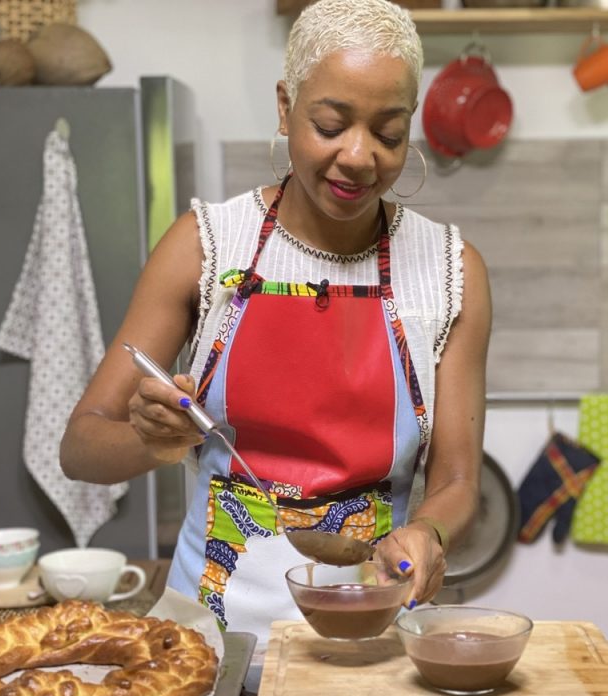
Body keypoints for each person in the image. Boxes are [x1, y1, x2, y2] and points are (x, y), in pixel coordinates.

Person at [60, 0, 491, 650]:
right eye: (331, 124)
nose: (359, 156)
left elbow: (457, 480)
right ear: (287, 107)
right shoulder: (205, 247)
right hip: (201, 655)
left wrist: (427, 535)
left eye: (389, 132)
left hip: (369, 646)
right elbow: (80, 448)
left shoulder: (451, 270)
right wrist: (156, 443)